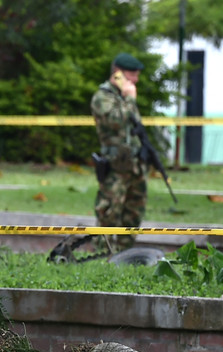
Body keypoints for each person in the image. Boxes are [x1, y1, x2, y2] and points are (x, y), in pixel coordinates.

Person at [92, 52, 148, 250]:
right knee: (109, 212)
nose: (135, 79)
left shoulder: (124, 96)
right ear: (118, 73)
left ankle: (126, 255)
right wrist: (130, 100)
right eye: (132, 74)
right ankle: (101, 254)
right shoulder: (102, 97)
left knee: (134, 212)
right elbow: (116, 121)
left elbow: (135, 127)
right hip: (115, 166)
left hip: (134, 165)